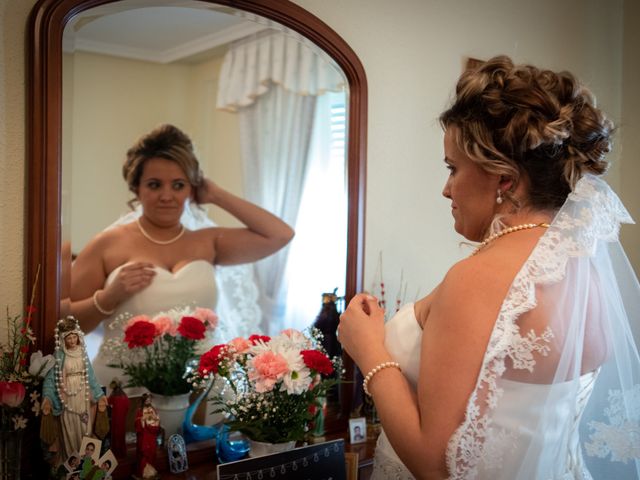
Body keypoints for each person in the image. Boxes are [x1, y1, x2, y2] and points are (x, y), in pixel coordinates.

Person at [338, 55, 640, 479]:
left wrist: (367, 347)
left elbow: (435, 465)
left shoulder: (477, 277)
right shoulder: (585, 272)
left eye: (453, 168)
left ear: (504, 180)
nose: (446, 189)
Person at [69, 124, 294, 392]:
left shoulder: (208, 242)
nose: (167, 196)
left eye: (178, 185)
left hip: (197, 390)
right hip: (123, 390)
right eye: (154, 185)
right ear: (136, 188)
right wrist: (107, 298)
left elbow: (280, 234)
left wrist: (216, 194)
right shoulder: (107, 245)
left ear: (191, 189)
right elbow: (63, 324)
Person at [41, 318, 107, 464]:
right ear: (63, 339)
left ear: (78, 336)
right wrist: (47, 397)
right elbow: (51, 379)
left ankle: (86, 464)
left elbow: (91, 377)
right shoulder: (59, 355)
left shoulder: (83, 354)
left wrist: (100, 395)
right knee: (69, 429)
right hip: (67, 398)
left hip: (82, 396)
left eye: (74, 336)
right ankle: (70, 464)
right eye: (68, 338)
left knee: (85, 428)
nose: (71, 340)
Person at [135, 393, 161, 478]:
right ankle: (144, 473)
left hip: (151, 434)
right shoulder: (139, 410)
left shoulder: (153, 409)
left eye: (150, 400)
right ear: (144, 400)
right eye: (147, 400)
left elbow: (156, 419)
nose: (148, 401)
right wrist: (142, 420)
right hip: (144, 434)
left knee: (152, 451)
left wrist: (156, 420)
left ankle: (152, 472)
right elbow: (137, 422)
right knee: (144, 453)